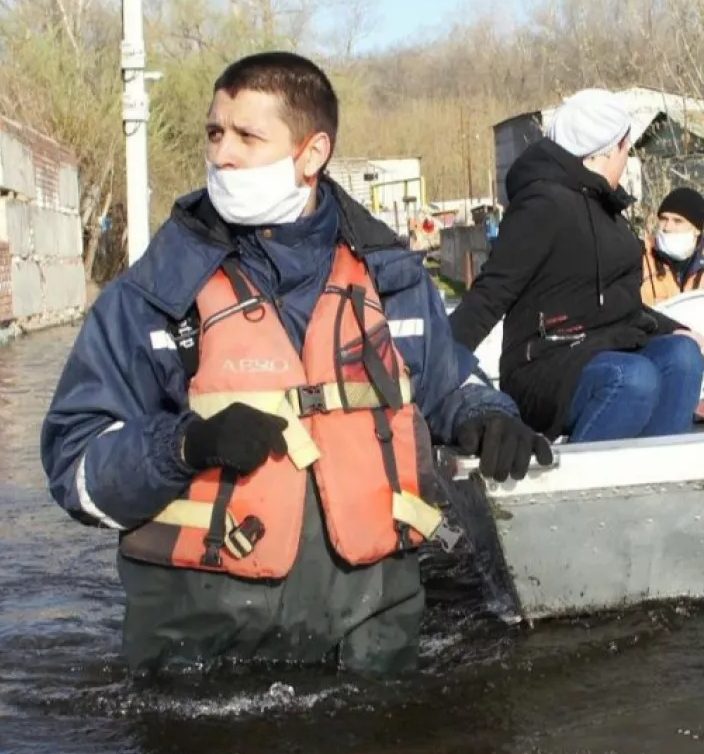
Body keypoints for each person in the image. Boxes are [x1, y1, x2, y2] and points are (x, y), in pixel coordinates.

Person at [39, 51, 551, 676]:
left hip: (370, 639)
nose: (222, 153)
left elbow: (448, 381)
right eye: (215, 133)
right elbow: (75, 468)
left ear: (312, 155)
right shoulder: (152, 297)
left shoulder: (389, 276)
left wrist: (487, 416)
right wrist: (181, 446)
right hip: (204, 657)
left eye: (248, 136)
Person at [448, 88, 704, 444]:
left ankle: (659, 482)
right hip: (542, 365)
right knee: (632, 378)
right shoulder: (542, 204)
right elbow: (492, 292)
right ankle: (587, 490)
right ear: (613, 147)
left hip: (602, 349)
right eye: (626, 149)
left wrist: (676, 329)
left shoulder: (607, 211)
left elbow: (622, 305)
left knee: (682, 355)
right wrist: (434, 368)